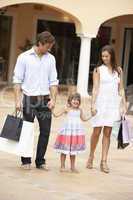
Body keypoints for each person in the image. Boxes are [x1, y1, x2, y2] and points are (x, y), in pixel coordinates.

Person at [13, 31, 58, 170]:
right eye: (47, 46)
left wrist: (53, 99)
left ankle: (40, 161)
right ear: (40, 43)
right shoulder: (24, 57)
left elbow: (53, 81)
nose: (49, 49)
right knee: (27, 130)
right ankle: (26, 161)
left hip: (45, 100)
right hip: (28, 99)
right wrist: (17, 100)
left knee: (45, 131)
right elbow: (17, 81)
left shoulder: (51, 59)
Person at [86, 45, 127, 173]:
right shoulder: (98, 70)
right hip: (100, 104)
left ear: (112, 56)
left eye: (106, 56)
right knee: (96, 132)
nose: (104, 58)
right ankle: (91, 155)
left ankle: (104, 161)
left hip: (113, 105)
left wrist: (124, 104)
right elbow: (95, 88)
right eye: (102, 56)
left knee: (108, 133)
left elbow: (121, 89)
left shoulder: (118, 71)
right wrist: (92, 105)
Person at [53, 93, 95, 173]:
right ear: (70, 100)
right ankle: (62, 166)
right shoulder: (66, 108)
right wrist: (51, 109)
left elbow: (84, 119)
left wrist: (92, 115)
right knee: (64, 150)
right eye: (74, 100)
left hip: (75, 133)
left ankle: (72, 167)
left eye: (78, 100)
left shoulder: (80, 110)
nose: (76, 101)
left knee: (73, 151)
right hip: (67, 132)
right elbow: (56, 115)